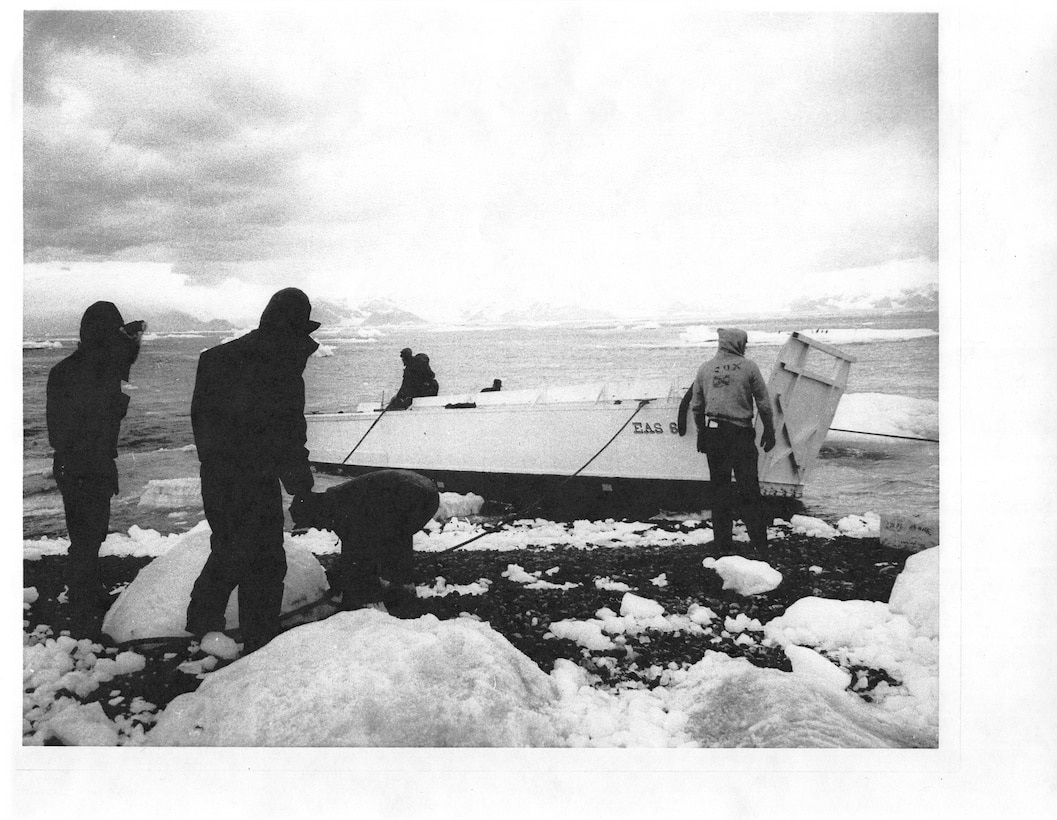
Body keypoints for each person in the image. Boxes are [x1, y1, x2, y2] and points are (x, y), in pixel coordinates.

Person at [185, 288, 320, 655]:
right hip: (254, 478)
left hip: (218, 475)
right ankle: (259, 638)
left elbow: (202, 422)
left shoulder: (215, 359)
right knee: (264, 559)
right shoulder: (282, 366)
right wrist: (300, 485)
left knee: (230, 549)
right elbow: (289, 432)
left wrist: (216, 464)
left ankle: (203, 621)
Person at [46, 302, 145, 635]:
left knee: (87, 533)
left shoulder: (69, 369)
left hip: (76, 463)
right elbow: (70, 427)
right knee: (88, 535)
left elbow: (58, 431)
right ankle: (83, 598)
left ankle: (84, 592)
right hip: (88, 462)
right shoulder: (97, 370)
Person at [289, 470, 440, 616]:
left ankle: (388, 598)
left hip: (414, 494)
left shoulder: (340, 509)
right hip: (425, 491)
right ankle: (402, 588)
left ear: (314, 513)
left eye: (315, 524)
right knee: (392, 536)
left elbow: (354, 555)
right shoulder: (336, 499)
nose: (321, 528)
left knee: (386, 539)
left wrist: (345, 585)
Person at [690, 328, 776, 551]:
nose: (746, 346)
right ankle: (759, 545)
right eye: (744, 342)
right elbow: (764, 405)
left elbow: (697, 407)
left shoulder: (705, 369)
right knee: (749, 490)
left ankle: (723, 546)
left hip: (714, 435)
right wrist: (769, 430)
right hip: (740, 435)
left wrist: (701, 434)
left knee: (719, 491)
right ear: (738, 343)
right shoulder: (748, 367)